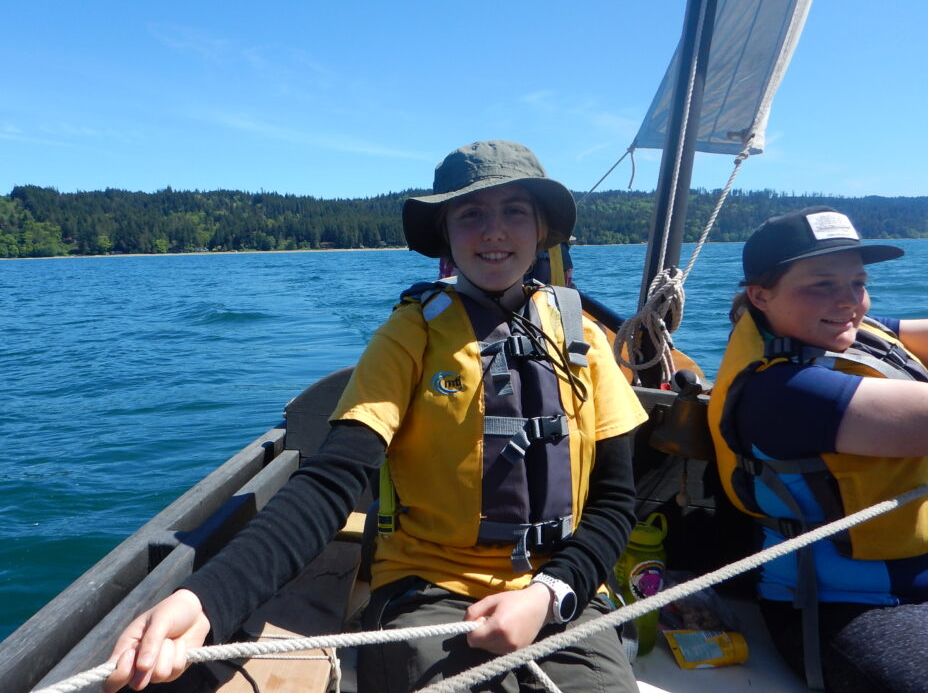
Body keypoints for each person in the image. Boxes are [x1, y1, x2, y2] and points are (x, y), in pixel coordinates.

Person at [104, 140, 648, 693]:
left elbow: (615, 501)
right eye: (471, 214)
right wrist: (208, 600)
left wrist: (549, 594)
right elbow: (331, 482)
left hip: (560, 588)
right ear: (445, 234)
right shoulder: (409, 336)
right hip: (429, 590)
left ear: (541, 230)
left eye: (514, 212)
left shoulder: (586, 343)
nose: (493, 231)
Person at [707, 206, 928, 693]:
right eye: (822, 284)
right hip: (851, 609)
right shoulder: (784, 392)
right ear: (760, 295)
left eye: (857, 283)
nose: (849, 302)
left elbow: (910, 332)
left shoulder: (848, 331)